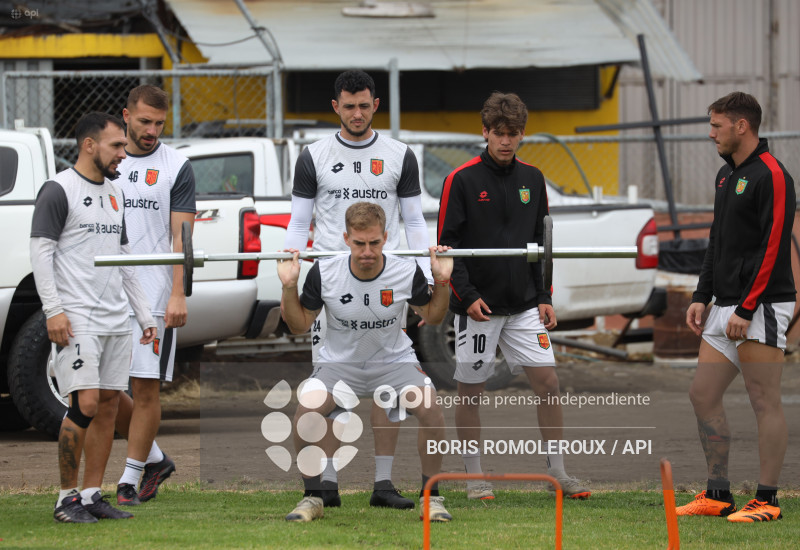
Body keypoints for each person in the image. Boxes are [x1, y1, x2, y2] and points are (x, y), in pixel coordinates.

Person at [283, 69, 432, 509]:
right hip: (329, 281)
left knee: (388, 377)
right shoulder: (313, 154)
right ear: (336, 107)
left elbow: (414, 220)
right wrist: (290, 270)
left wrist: (423, 274)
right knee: (331, 386)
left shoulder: (399, 154)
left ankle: (383, 485)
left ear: (375, 105)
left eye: (364, 105)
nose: (357, 113)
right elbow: (298, 221)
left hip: (384, 274)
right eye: (348, 106)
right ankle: (326, 485)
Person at [437, 92, 590, 501]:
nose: (505, 141)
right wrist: (466, 295)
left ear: (522, 135)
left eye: (513, 134)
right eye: (498, 133)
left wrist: (544, 295)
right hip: (478, 308)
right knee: (471, 391)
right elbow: (447, 246)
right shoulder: (462, 179)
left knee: (549, 383)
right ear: (484, 132)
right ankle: (474, 477)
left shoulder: (533, 179)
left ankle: (558, 472)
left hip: (523, 306)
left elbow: (541, 243)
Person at [278, 202, 452, 523]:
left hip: (393, 361)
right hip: (339, 364)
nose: (367, 251)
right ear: (346, 239)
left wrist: (441, 282)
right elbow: (299, 325)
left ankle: (432, 496)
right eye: (359, 243)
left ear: (386, 237)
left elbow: (434, 315)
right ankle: (314, 496)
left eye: (374, 242)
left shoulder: (404, 270)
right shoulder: (325, 271)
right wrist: (289, 287)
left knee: (431, 408)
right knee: (306, 413)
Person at [30, 112, 157, 523]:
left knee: (106, 406)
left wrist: (144, 315)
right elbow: (41, 255)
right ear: (89, 145)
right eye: (116, 146)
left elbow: (124, 262)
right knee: (83, 403)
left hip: (115, 318)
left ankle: (91, 494)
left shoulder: (117, 193)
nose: (124, 153)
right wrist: (54, 311)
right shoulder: (58, 190)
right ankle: (65, 499)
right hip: (78, 317)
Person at [676, 92, 795, 523]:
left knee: (764, 400)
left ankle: (768, 500)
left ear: (741, 125)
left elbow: (773, 245)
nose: (711, 134)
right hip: (724, 305)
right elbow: (718, 241)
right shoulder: (726, 177)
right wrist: (700, 296)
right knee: (702, 394)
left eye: (717, 125)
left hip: (760, 305)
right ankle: (717, 493)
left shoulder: (773, 175)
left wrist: (746, 307)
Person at [113, 85, 197, 506]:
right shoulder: (108, 157)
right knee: (103, 389)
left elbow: (183, 238)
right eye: (144, 121)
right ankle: (157, 458)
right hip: (107, 294)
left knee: (145, 389)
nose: (151, 130)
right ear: (125, 115)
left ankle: (129, 478)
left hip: (154, 296)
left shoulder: (176, 166)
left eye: (159, 123)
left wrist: (177, 295)